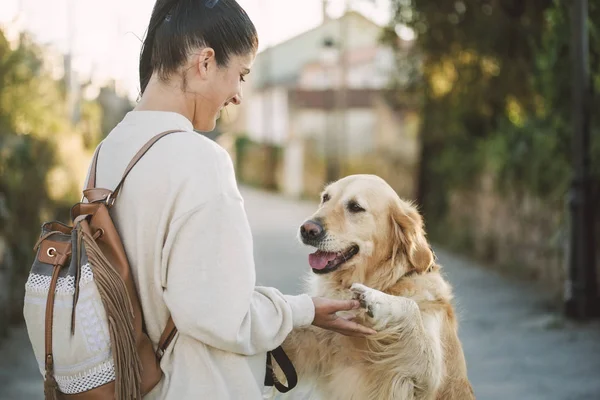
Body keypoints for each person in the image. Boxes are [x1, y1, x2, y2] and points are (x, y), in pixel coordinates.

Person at [90, 0, 376, 398]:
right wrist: (303, 310)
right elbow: (223, 318)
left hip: (130, 383)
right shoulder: (202, 161)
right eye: (240, 74)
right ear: (205, 63)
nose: (239, 95)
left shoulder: (107, 152)